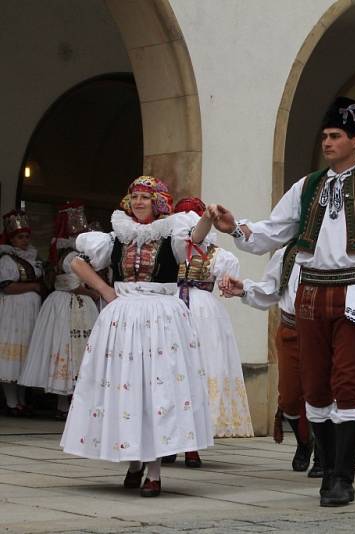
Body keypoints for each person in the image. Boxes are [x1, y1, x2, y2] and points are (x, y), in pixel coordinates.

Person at [205, 97, 355, 507]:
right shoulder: (306, 186)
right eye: (325, 137)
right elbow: (271, 232)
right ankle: (325, 469)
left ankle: (341, 478)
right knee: (314, 387)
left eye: (335, 136)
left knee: (348, 383)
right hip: (311, 292)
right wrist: (235, 228)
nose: (328, 143)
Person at [59, 176, 214, 498]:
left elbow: (195, 239)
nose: (139, 202)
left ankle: (154, 471)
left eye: (145, 197)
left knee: (158, 390)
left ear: (157, 202)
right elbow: (75, 262)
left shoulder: (172, 233)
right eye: (135, 197)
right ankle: (133, 461)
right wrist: (105, 291)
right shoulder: (116, 237)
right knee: (126, 388)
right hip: (124, 317)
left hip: (161, 317)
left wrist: (209, 218)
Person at [161, 197, 253, 469]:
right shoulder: (170, 250)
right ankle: (168, 441)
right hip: (171, 307)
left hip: (203, 314)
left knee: (202, 372)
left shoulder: (222, 257)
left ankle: (193, 444)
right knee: (169, 374)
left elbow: (226, 288)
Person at [218, 239, 323, 477]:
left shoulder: (341, 251)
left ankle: (323, 455)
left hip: (324, 331)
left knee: (323, 394)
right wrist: (244, 288)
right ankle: (305, 441)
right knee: (289, 397)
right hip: (291, 330)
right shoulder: (288, 253)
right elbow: (271, 288)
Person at [19, 203, 100, 419]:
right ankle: (65, 404)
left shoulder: (68, 252)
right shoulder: (71, 255)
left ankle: (71, 402)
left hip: (75, 305)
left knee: (77, 349)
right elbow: (69, 283)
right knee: (66, 347)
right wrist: (93, 293)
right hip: (70, 305)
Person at [0, 210, 44, 416]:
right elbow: (6, 287)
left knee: (25, 352)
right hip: (13, 310)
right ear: (11, 239)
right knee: (13, 353)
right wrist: (33, 287)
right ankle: (11, 401)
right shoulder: (7, 259)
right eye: (20, 237)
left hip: (29, 312)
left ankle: (21, 400)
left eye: (26, 236)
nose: (24, 240)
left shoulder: (32, 258)